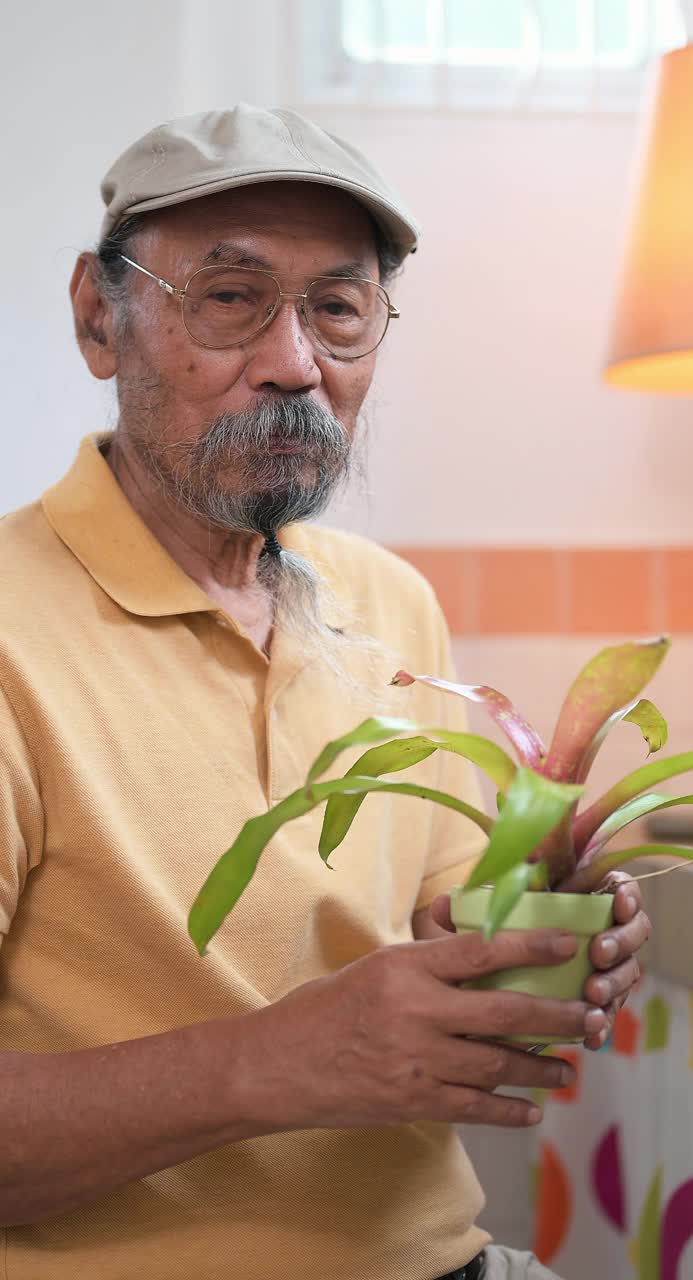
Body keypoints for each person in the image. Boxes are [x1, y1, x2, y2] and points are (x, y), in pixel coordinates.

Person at [0, 105, 649, 1280]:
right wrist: (274, 1061)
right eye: (231, 298)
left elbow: (437, 927)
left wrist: (526, 947)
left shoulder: (388, 600)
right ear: (103, 318)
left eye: (338, 310)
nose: (297, 363)